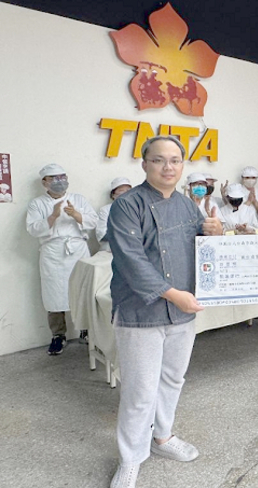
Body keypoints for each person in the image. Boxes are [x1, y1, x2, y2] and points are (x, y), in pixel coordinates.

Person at [107, 135, 223, 488]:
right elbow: (131, 261)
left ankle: (162, 437)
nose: (168, 167)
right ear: (145, 164)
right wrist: (174, 296)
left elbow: (199, 252)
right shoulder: (127, 205)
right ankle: (130, 459)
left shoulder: (189, 206)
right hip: (140, 312)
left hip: (182, 313)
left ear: (182, 165)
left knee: (173, 379)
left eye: (175, 160)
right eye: (159, 160)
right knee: (140, 390)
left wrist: (214, 233)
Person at [26, 163, 97, 355]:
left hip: (78, 251)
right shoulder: (37, 204)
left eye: (62, 177)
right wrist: (53, 216)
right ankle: (58, 335)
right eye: (54, 178)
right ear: (44, 182)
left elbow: (93, 222)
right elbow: (32, 229)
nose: (60, 181)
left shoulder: (78, 199)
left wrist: (76, 215)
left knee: (83, 290)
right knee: (54, 295)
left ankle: (85, 331)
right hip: (53, 253)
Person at [96, 177, 132, 252]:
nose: (125, 194)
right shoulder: (105, 210)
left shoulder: (137, 209)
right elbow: (102, 234)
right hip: (110, 250)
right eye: (121, 191)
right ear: (113, 195)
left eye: (128, 191)